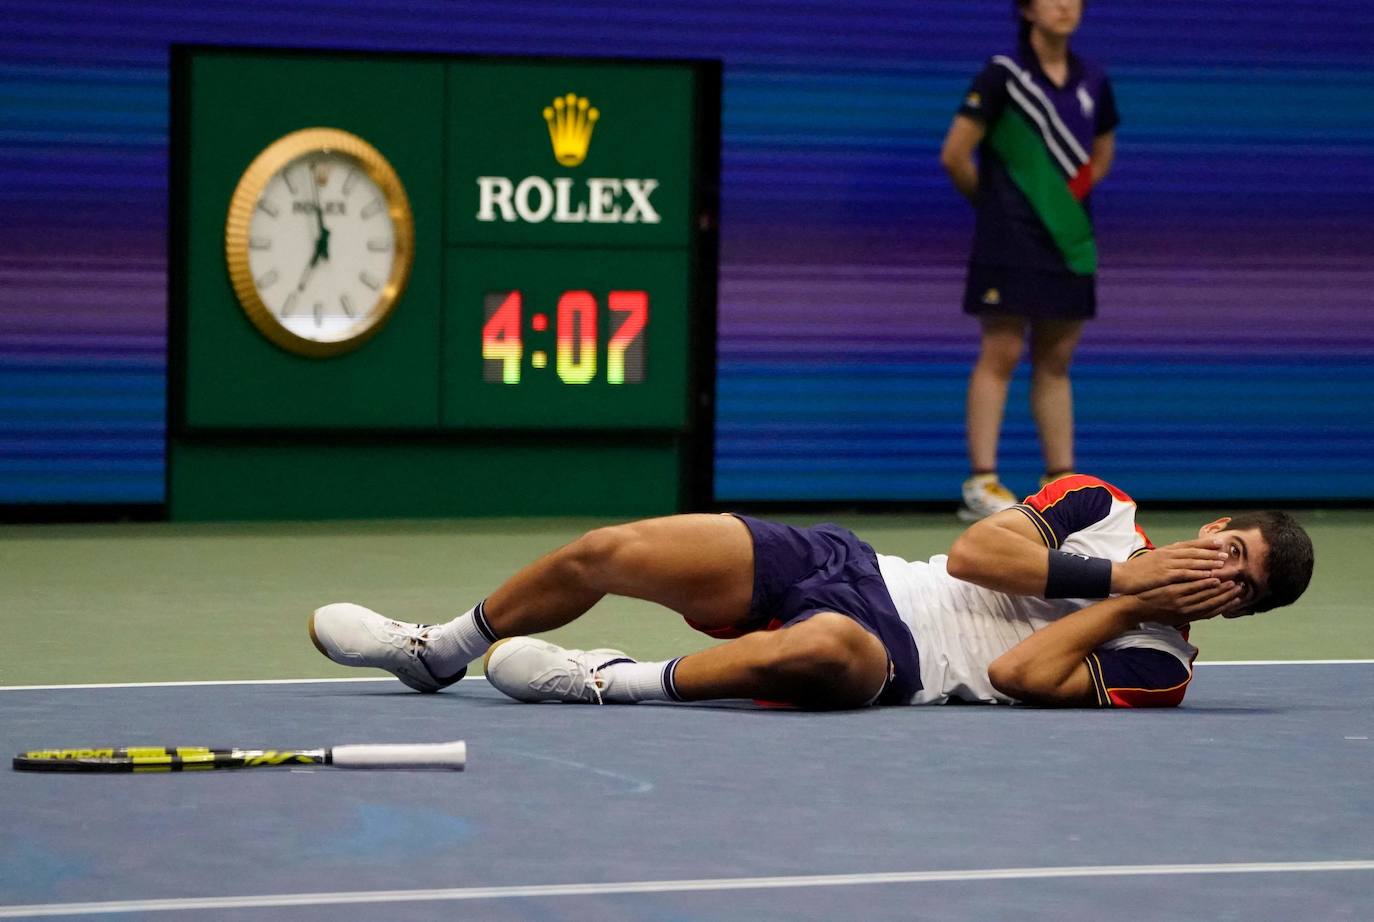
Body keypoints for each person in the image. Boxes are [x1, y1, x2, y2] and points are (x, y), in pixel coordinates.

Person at [309, 474, 1314, 709]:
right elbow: (972, 556)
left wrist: (1137, 607)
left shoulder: (1160, 667)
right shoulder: (1101, 506)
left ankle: (608, 678)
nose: (1223, 574)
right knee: (613, 547)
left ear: (1237, 612)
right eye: (1232, 553)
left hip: (895, 661)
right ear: (1216, 527)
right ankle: (438, 648)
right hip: (854, 564)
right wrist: (1121, 572)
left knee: (826, 653)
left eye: (1243, 588)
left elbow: (1016, 668)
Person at [940, 0, 1119, 520]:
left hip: (1069, 240)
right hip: (1008, 244)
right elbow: (955, 153)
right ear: (1026, 10)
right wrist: (996, 209)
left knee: (1057, 361)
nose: (1066, 6)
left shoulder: (1093, 79)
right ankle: (982, 482)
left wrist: (1062, 201)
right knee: (1001, 350)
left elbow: (1102, 152)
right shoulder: (1004, 76)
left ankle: (1061, 479)